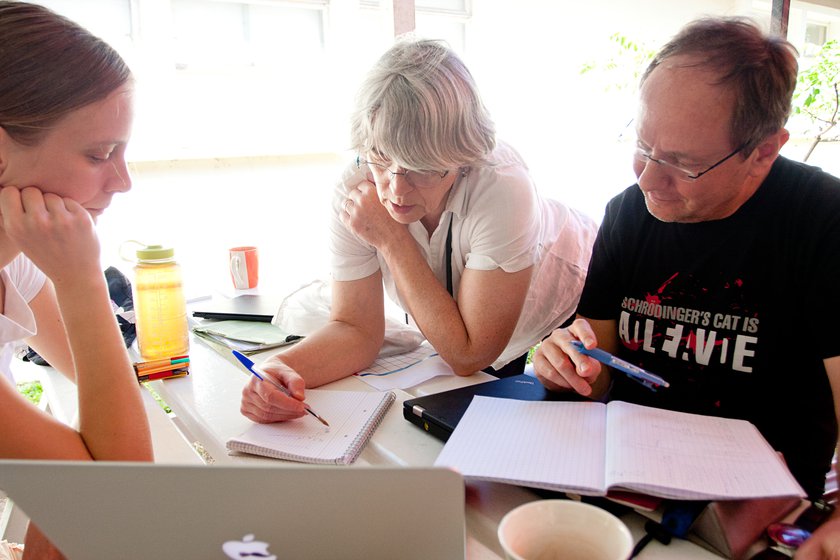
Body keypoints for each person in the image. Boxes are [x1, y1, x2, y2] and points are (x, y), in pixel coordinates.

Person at [531, 16, 840, 557]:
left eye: (681, 163)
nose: (647, 179)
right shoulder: (628, 215)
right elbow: (597, 372)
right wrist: (567, 367)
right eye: (643, 145)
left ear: (763, 151)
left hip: (750, 517)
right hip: (623, 491)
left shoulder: (822, 223)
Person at [240, 38, 595, 423]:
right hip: (472, 323)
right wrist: (280, 369)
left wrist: (391, 239)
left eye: (421, 168)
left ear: (463, 158)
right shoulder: (356, 187)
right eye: (379, 160)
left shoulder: (502, 187)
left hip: (570, 302)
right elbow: (356, 328)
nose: (395, 189)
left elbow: (469, 353)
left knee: (553, 432)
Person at [0, 2, 154, 557]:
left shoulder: (11, 261)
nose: (123, 181)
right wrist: (82, 278)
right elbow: (115, 489)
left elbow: (105, 471)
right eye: (99, 154)